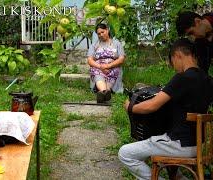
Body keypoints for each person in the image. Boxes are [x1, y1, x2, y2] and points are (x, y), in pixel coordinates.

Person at [118, 38, 213, 180]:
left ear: (178, 55)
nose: (174, 66)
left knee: (125, 153)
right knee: (164, 151)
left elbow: (152, 105)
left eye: (172, 61)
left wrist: (131, 107)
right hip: (199, 144)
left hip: (179, 144)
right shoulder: (208, 80)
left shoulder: (182, 78)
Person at [87, 23, 125, 103]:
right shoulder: (94, 45)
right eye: (98, 34)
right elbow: (90, 60)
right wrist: (101, 67)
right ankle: (105, 92)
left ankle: (103, 93)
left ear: (107, 30)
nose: (101, 35)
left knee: (115, 71)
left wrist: (108, 66)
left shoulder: (116, 43)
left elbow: (121, 59)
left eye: (102, 32)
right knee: (96, 71)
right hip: (98, 68)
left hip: (112, 68)